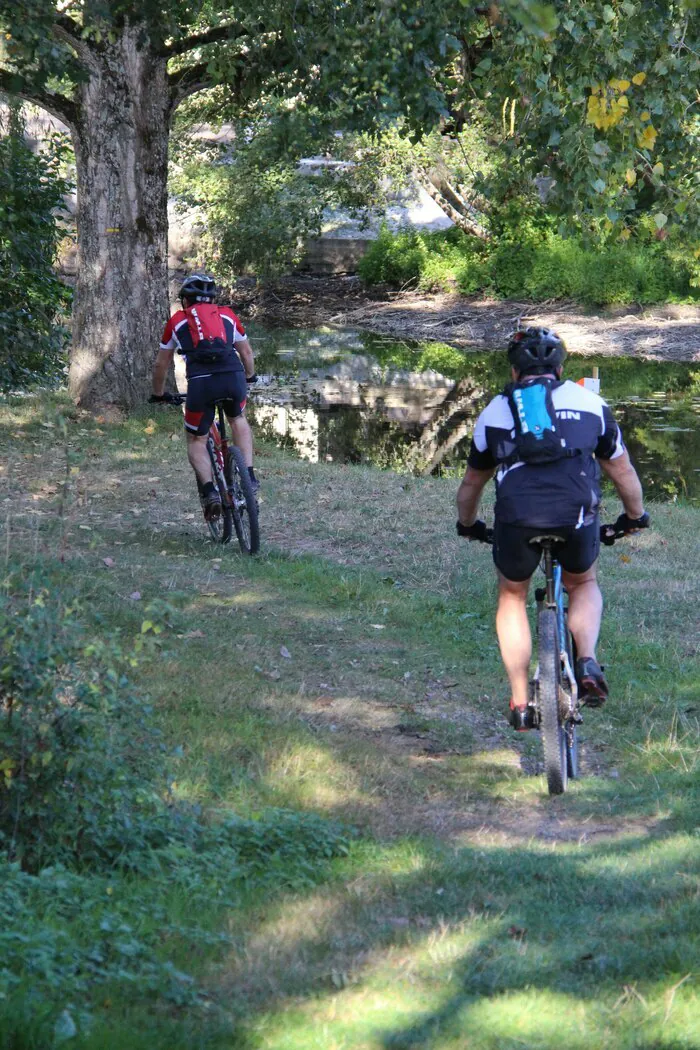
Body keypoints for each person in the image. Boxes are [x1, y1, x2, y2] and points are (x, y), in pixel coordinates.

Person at [456, 326, 649, 730]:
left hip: (517, 518)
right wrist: (634, 517)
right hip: (576, 517)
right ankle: (587, 660)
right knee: (582, 583)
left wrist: (469, 524)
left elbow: (473, 484)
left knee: (512, 595)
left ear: (514, 373)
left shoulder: (494, 412)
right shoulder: (590, 403)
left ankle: (522, 703)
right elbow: (622, 471)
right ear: (561, 368)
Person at [150, 274, 259, 519]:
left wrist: (158, 394)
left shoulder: (177, 321)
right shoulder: (228, 315)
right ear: (212, 298)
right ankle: (249, 476)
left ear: (185, 300)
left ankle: (210, 492)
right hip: (233, 377)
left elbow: (160, 365)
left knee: (196, 440)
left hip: (201, 383)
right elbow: (247, 352)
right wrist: (250, 377)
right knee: (237, 418)